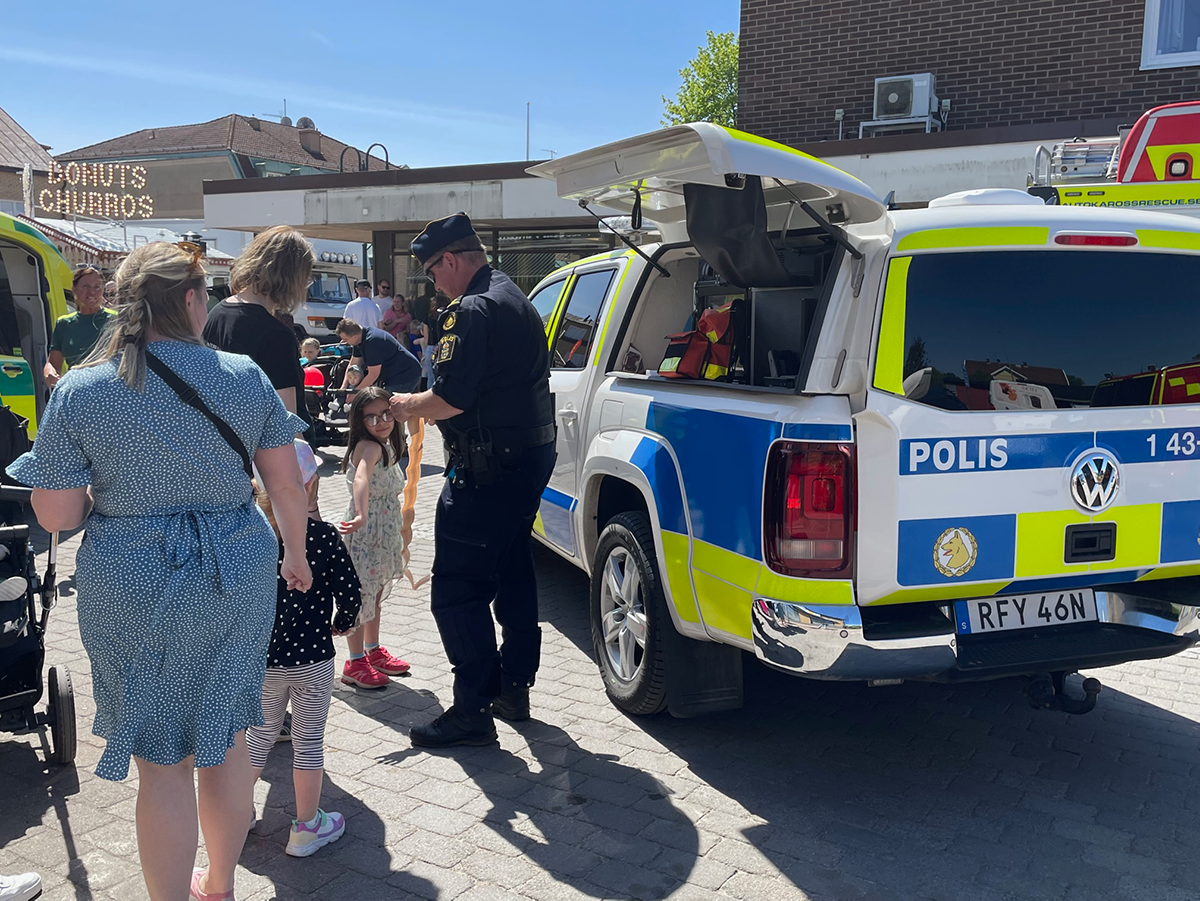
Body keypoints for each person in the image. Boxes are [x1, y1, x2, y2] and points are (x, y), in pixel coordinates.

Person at [6, 242, 311, 901]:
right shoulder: (243, 376)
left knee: (163, 763)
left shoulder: (84, 389)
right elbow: (286, 485)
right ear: (194, 300)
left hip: (132, 577)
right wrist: (297, 554)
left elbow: (56, 515)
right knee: (228, 739)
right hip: (236, 568)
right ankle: (219, 886)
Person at [389, 212, 555, 748]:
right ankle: (513, 687)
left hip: (489, 469)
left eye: (433, 273)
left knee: (458, 589)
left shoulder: (471, 309)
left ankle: (472, 711)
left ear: (451, 260)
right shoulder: (514, 295)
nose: (435, 285)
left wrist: (403, 405)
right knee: (512, 567)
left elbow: (449, 399)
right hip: (526, 459)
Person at [245, 442, 360, 858]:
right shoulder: (324, 537)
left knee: (259, 736)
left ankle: (237, 813)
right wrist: (343, 622)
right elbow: (350, 592)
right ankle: (307, 827)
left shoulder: (251, 539)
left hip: (263, 661)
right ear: (311, 485)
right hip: (313, 659)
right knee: (308, 743)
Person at [337, 387, 410, 689]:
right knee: (361, 595)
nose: (381, 422)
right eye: (371, 417)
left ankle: (372, 649)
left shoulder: (385, 444)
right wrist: (361, 514)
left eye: (386, 414)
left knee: (375, 592)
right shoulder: (370, 446)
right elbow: (361, 477)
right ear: (359, 421)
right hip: (368, 532)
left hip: (382, 531)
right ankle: (355, 661)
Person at [203, 227, 312, 415]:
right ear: (293, 277)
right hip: (263, 432)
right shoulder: (276, 335)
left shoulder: (217, 313)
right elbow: (287, 418)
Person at [44, 265, 116, 388]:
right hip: (76, 388)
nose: (92, 292)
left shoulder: (116, 320)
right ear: (74, 289)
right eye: (86, 286)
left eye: (97, 287)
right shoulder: (64, 324)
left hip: (109, 389)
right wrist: (50, 374)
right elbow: (53, 363)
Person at [335, 319, 420, 393]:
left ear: (354, 336)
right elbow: (353, 364)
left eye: (346, 339)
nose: (344, 342)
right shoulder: (359, 338)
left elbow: (373, 374)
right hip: (392, 374)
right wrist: (344, 388)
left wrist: (355, 393)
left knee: (389, 403)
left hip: (406, 373)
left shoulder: (372, 342)